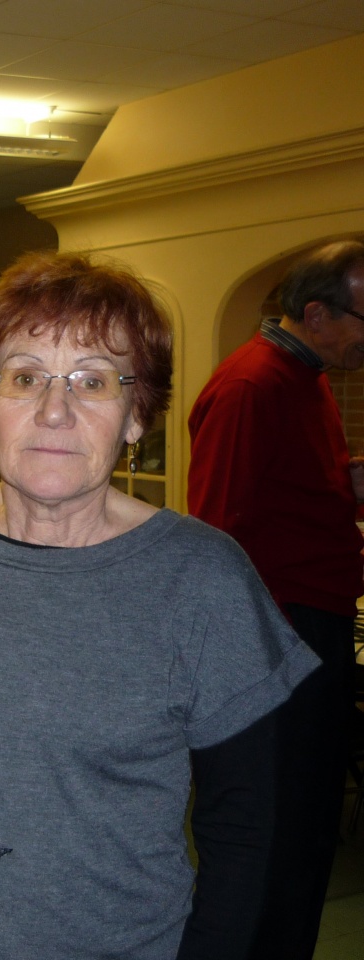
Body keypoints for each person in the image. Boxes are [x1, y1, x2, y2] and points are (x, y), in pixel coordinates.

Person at [0, 250, 318, 960]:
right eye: (23, 378)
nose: (55, 409)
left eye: (93, 380)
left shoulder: (202, 578)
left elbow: (250, 832)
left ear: (136, 417)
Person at [187, 239, 364, 960]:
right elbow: (220, 530)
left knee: (309, 830)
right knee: (273, 836)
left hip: (314, 623)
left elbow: (296, 488)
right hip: (280, 638)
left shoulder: (307, 376)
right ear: (315, 313)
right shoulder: (249, 387)